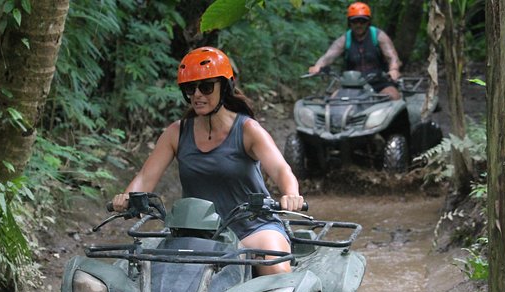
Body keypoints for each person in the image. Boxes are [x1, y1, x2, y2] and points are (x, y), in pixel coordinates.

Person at [112, 46, 304, 275]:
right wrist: (127, 197)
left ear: (225, 87)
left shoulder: (248, 130)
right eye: (190, 88)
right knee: (149, 278)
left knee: (276, 267)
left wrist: (290, 193)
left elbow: (281, 169)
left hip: (253, 227)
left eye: (205, 87)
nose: (197, 95)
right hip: (197, 233)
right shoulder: (177, 132)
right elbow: (145, 177)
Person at [308, 2, 402, 100]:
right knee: (333, 101)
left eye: (362, 21)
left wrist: (394, 70)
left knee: (393, 96)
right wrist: (318, 66)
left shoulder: (378, 36)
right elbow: (328, 56)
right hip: (351, 85)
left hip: (380, 82)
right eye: (355, 21)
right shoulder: (345, 39)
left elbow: (392, 57)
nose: (359, 24)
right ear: (350, 23)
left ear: (368, 22)